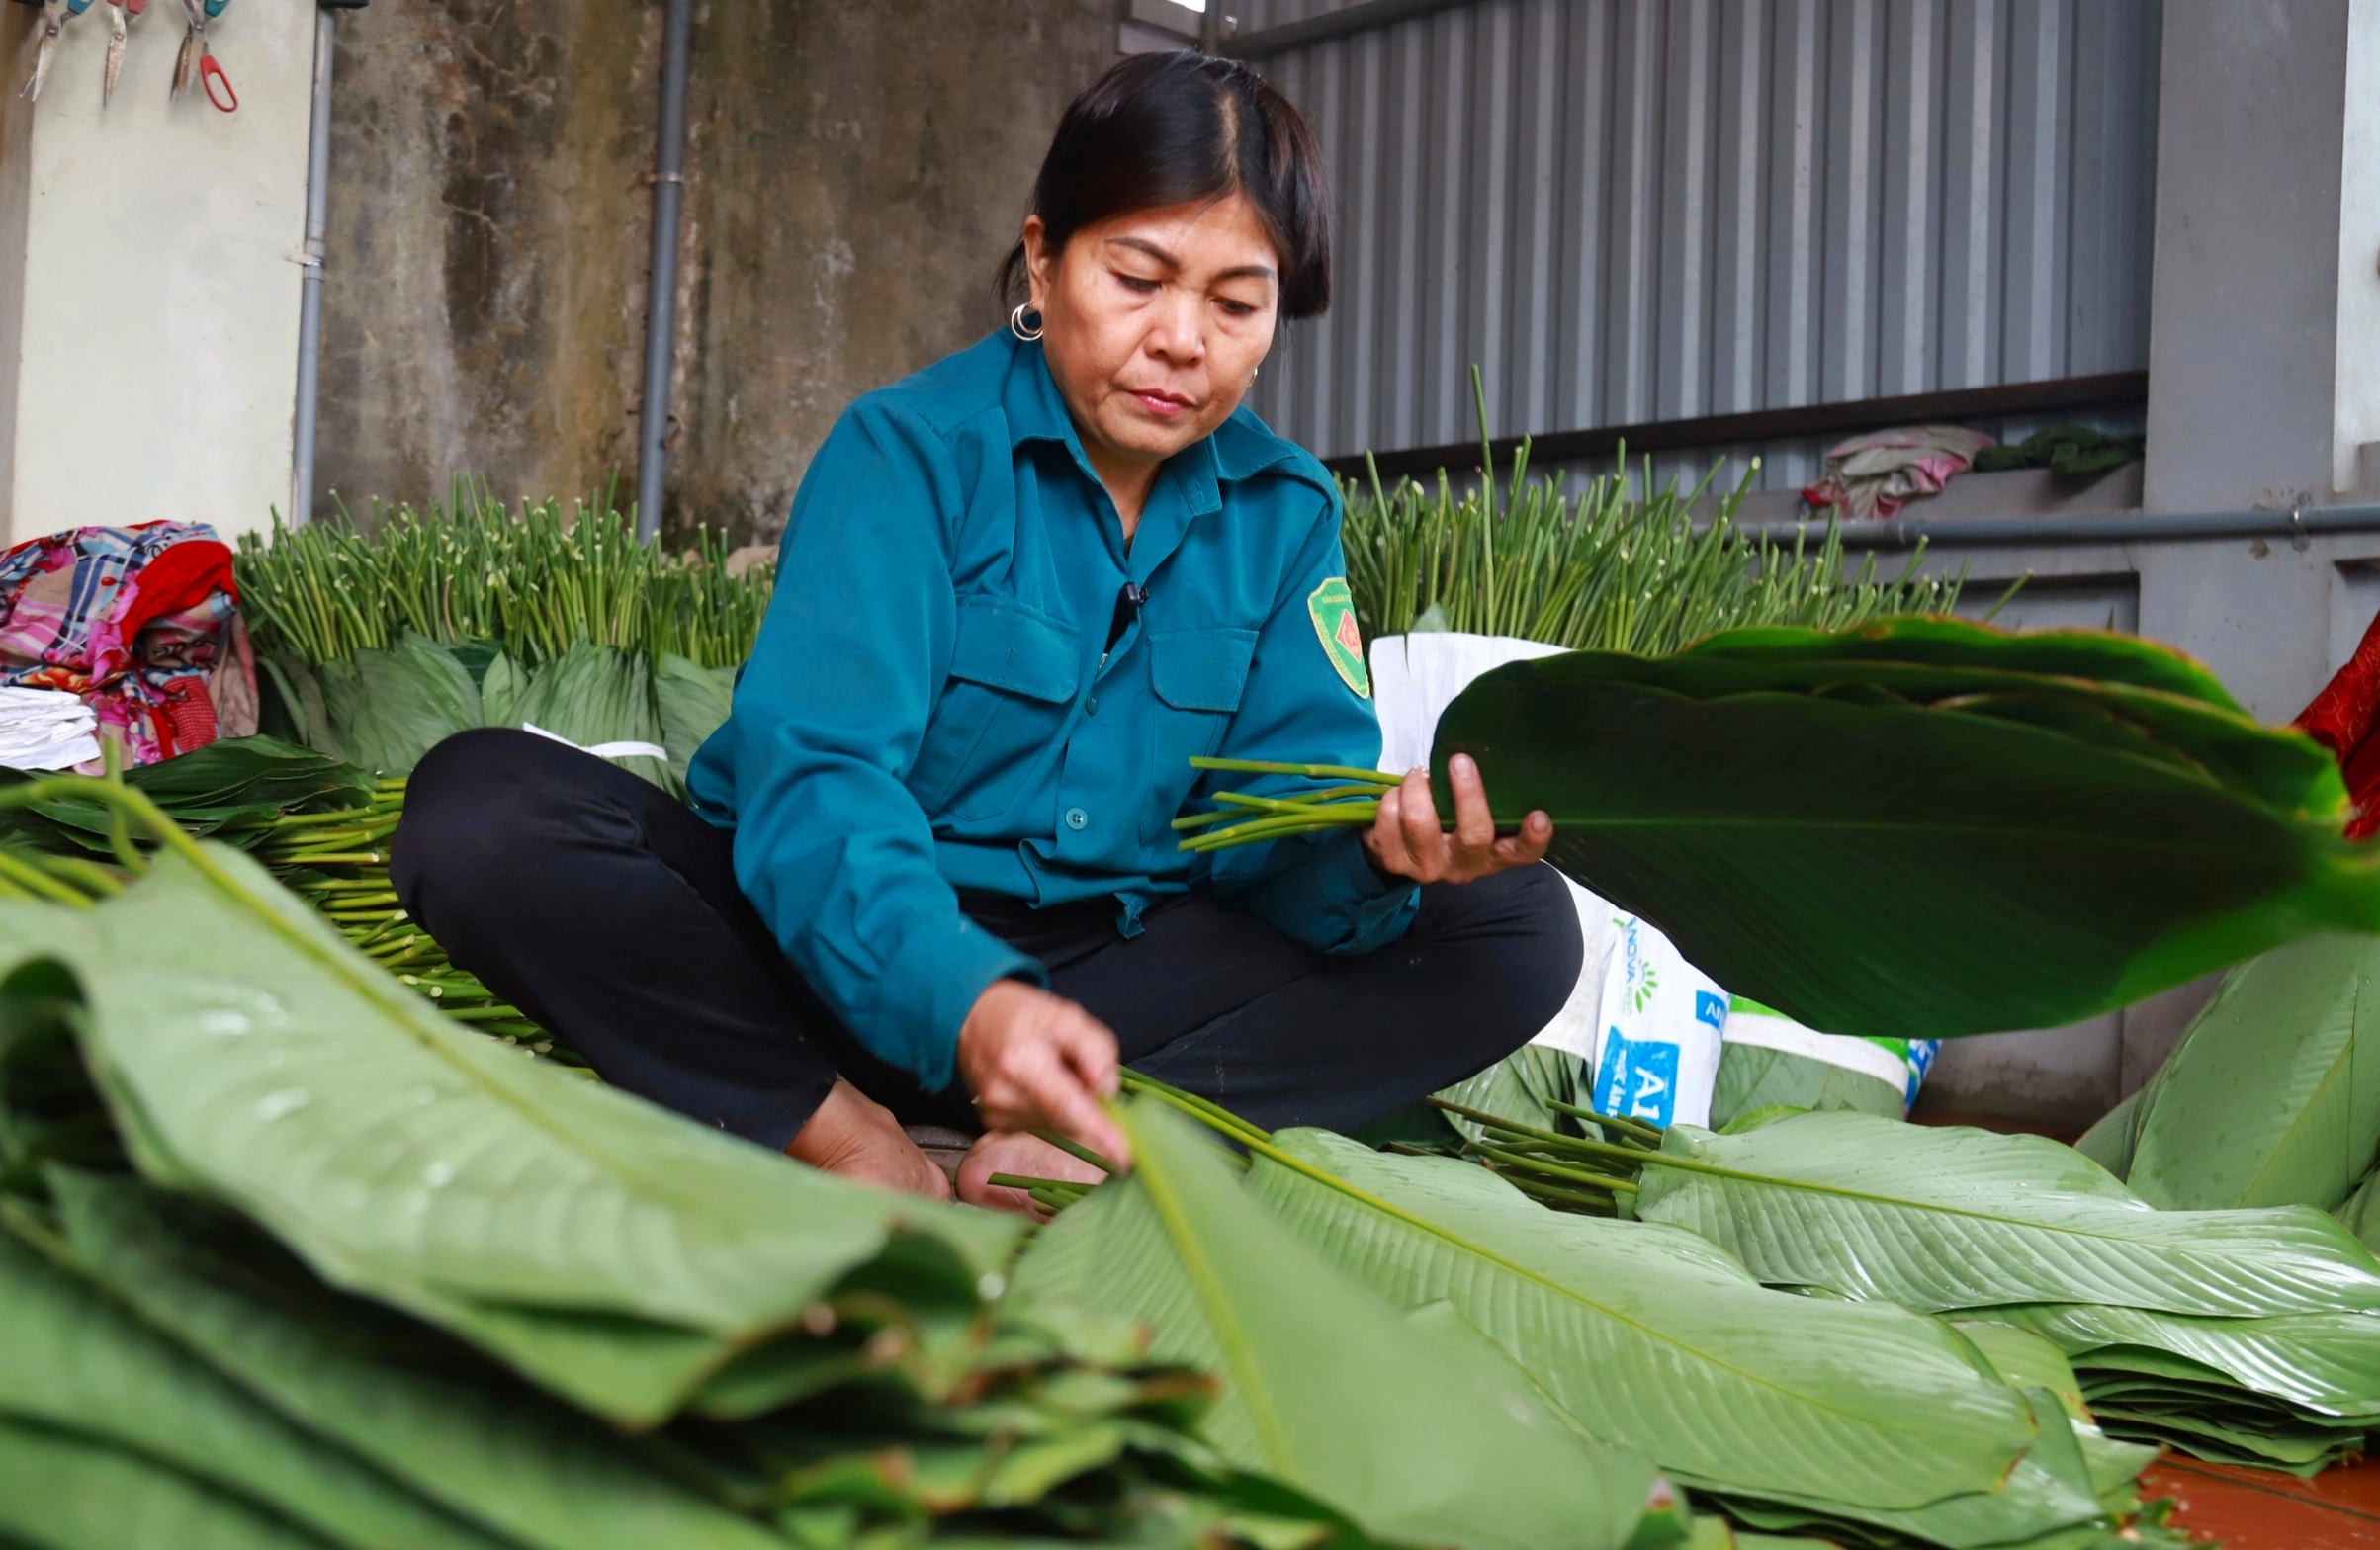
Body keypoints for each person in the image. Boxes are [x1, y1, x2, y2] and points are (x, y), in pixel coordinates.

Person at [392, 50, 1581, 1213]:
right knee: (485, 809)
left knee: (1518, 922)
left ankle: (1093, 1131)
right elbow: (819, 784)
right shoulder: (910, 452)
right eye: (1138, 278)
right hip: (830, 960)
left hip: (1103, 999)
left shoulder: (1284, 511)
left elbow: (1269, 839)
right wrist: (966, 998)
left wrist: (1379, 857)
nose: (1183, 339)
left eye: (1235, 303)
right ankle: (836, 1126)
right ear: (1044, 258)